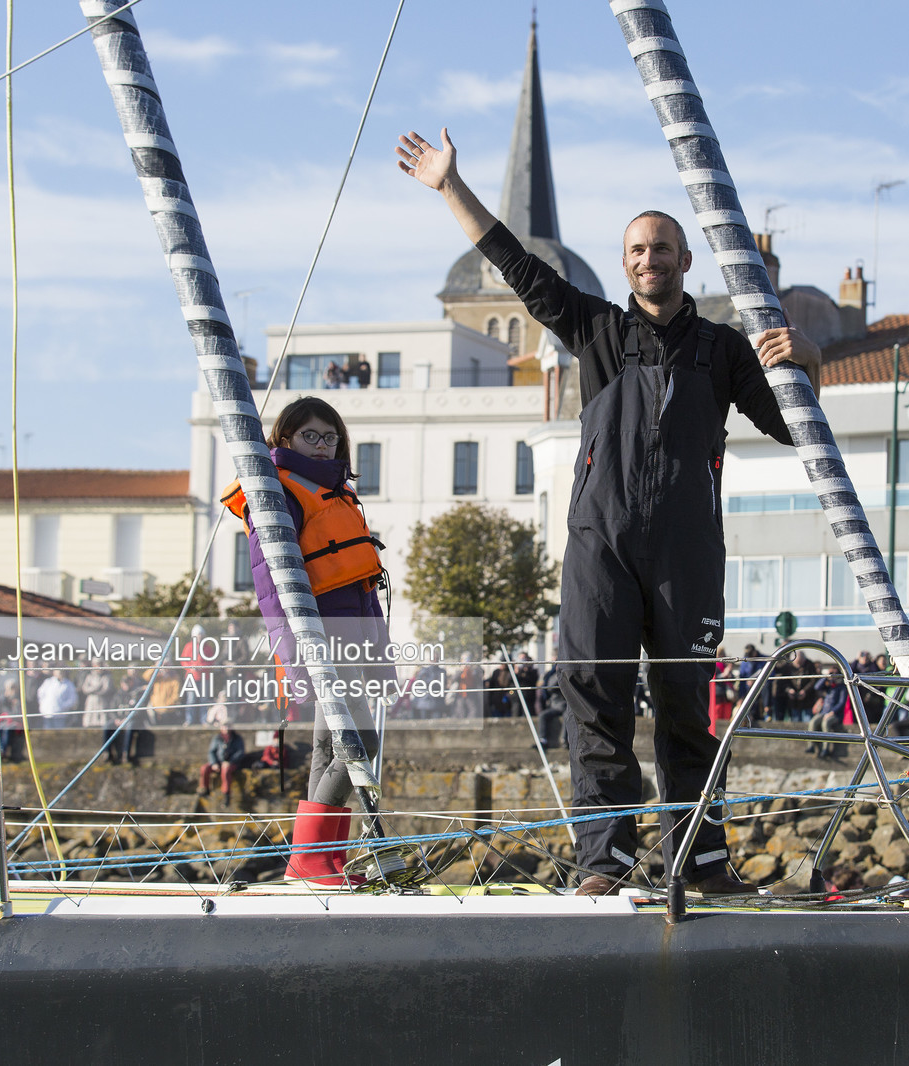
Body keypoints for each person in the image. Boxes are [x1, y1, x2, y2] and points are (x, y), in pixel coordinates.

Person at [398, 125, 821, 898]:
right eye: (636, 250)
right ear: (625, 264)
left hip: (689, 554)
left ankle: (701, 863)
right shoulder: (595, 328)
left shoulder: (723, 350)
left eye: (662, 249)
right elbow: (514, 263)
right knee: (594, 703)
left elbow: (795, 425)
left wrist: (807, 360)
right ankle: (607, 862)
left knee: (687, 713)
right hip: (601, 549)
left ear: (685, 261)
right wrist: (450, 186)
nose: (649, 259)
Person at [219, 395, 387, 886]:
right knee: (361, 741)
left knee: (327, 747)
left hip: (348, 637)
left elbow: (361, 585)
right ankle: (312, 859)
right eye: (310, 436)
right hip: (320, 637)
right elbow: (269, 580)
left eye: (329, 437)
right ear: (285, 438)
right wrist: (293, 651)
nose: (320, 445)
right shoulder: (278, 491)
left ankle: (317, 863)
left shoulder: (335, 494)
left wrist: (378, 653)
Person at [197, 725, 247, 801]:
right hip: (218, 762)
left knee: (225, 770)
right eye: (224, 726)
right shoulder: (217, 738)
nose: (226, 728)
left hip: (232, 763)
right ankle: (205, 790)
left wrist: (230, 761)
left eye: (228, 726)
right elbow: (211, 752)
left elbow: (240, 752)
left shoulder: (237, 738)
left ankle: (226, 793)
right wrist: (214, 763)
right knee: (204, 768)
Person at [708, 650, 736, 737]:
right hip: (718, 695)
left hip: (726, 696)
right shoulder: (715, 666)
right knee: (717, 715)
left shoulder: (726, 666)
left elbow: (733, 680)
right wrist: (724, 674)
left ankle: (725, 735)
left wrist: (729, 673)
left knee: (726, 716)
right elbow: (714, 678)